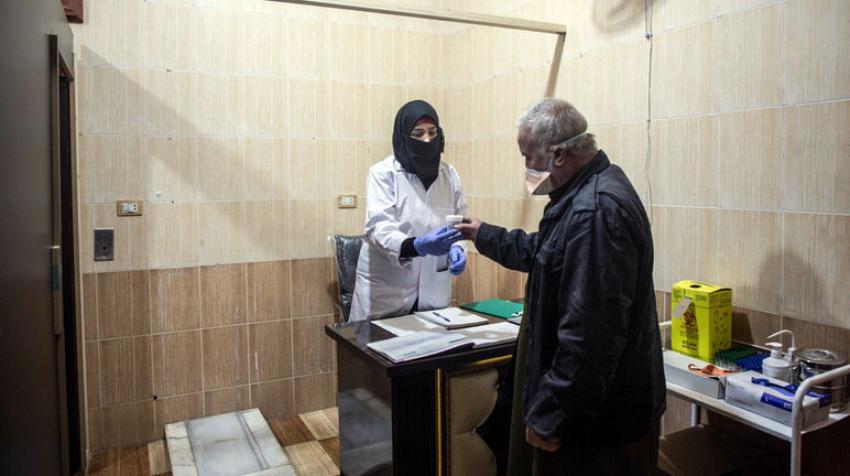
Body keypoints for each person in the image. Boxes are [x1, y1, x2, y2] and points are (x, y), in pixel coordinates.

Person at [456, 98, 666, 475]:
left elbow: (590, 335)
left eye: (528, 157)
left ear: (558, 155)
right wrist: (482, 234)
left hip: (600, 426)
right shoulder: (587, 194)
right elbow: (542, 252)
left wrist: (553, 413)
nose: (527, 168)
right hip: (594, 414)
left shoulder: (596, 211)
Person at [349, 100, 468, 321]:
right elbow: (379, 228)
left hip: (433, 298)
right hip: (387, 297)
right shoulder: (383, 174)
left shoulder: (450, 176)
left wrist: (458, 248)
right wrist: (415, 246)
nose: (427, 140)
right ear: (403, 136)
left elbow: (459, 223)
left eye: (433, 133)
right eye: (418, 133)